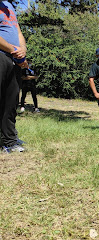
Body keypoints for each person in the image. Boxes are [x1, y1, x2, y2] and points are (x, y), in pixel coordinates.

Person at [0, 0, 28, 153]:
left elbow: (18, 32)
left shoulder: (9, 6)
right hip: (2, 55)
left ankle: (10, 140)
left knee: (11, 101)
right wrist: (13, 49)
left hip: (13, 59)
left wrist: (22, 49)